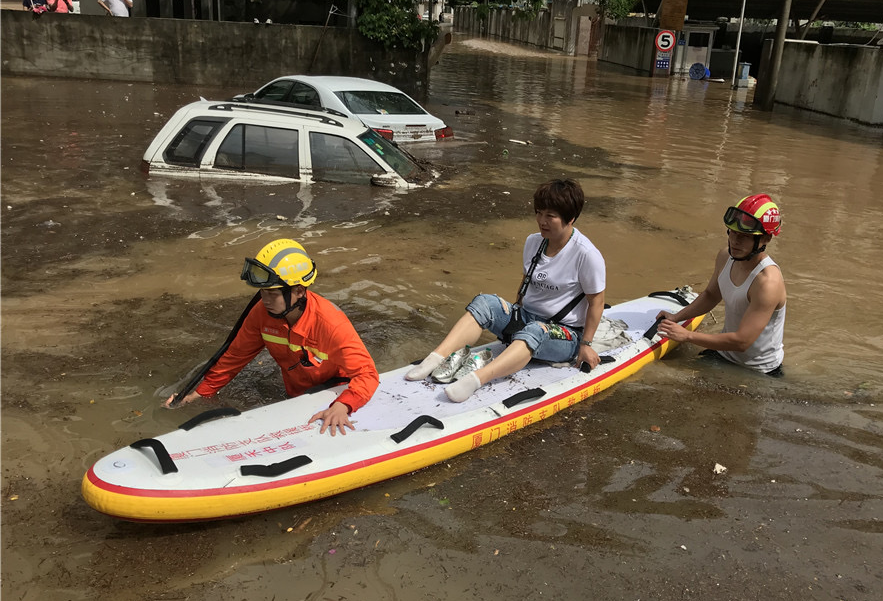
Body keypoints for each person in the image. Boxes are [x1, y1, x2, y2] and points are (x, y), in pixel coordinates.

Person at [405, 178, 607, 402]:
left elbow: (596, 301)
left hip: (565, 334)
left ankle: (476, 379)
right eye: (539, 213)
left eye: (550, 216)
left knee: (536, 330)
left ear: (571, 218)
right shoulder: (533, 242)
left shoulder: (586, 254)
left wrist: (586, 345)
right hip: (528, 318)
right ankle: (434, 359)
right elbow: (526, 284)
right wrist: (509, 318)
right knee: (484, 302)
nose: (542, 221)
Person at [164, 238, 379, 436]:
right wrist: (200, 394)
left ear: (299, 291)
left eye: (272, 294)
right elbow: (234, 357)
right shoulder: (261, 315)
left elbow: (367, 374)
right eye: (262, 292)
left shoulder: (331, 324)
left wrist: (343, 405)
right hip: (297, 394)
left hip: (339, 392)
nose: (264, 300)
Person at [656, 194, 786, 376]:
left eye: (744, 236)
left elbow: (743, 341)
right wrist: (675, 317)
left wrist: (687, 336)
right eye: (732, 232)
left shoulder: (767, 282)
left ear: (765, 239)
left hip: (758, 371)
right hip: (724, 354)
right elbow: (711, 295)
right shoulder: (726, 256)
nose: (735, 241)